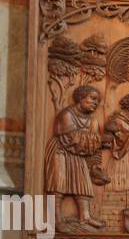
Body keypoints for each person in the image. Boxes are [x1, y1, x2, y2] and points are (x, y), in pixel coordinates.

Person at [44, 86, 107, 231]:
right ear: (81, 97)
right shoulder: (67, 115)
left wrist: (95, 165)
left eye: (98, 101)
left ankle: (85, 217)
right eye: (93, 98)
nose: (96, 103)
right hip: (60, 151)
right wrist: (99, 139)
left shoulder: (93, 122)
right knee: (58, 184)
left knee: (82, 183)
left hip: (78, 155)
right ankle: (57, 220)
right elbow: (71, 138)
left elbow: (95, 147)